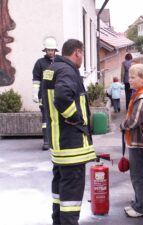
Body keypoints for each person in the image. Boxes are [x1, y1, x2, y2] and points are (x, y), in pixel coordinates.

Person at [42, 39, 96, 225]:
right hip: (71, 146)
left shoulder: (52, 69)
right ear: (77, 52)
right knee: (71, 197)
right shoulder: (67, 70)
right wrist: (76, 119)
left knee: (60, 192)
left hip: (59, 144)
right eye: (82, 54)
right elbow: (62, 97)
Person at [121, 63, 143, 218]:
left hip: (140, 142)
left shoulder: (142, 97)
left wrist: (123, 125)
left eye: (133, 77)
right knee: (141, 174)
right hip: (142, 141)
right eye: (129, 77)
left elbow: (134, 121)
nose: (129, 80)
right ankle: (141, 202)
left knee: (139, 175)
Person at [32, 36, 58, 150]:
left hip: (57, 96)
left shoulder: (59, 61)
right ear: (45, 50)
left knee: (57, 119)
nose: (50, 52)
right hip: (44, 96)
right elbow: (36, 79)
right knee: (46, 119)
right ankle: (46, 142)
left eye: (52, 50)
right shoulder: (40, 63)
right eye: (48, 50)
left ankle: (57, 141)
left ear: (55, 50)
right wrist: (34, 93)